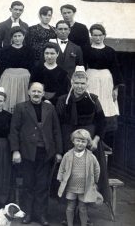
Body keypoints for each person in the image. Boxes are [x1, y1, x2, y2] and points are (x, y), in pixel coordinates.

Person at [55, 66, 111, 225]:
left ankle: (84, 215)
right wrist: (61, 146)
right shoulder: (62, 100)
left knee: (87, 177)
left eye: (82, 83)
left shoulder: (94, 99)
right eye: (77, 82)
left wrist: (95, 141)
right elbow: (57, 124)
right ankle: (69, 216)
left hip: (89, 143)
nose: (79, 86)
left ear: (87, 83)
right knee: (70, 177)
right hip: (68, 142)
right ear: (72, 82)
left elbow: (102, 122)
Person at [9, 82, 62, 226]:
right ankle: (28, 214)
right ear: (28, 92)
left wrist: (58, 151)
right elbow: (14, 130)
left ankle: (41, 215)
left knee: (43, 185)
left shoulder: (50, 108)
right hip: (27, 153)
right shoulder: (21, 108)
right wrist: (15, 150)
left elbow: (56, 130)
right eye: (34, 91)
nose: (36, 94)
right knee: (28, 184)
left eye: (39, 91)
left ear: (43, 93)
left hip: (46, 153)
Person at [57, 129, 101, 226]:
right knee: (70, 207)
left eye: (83, 141)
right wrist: (60, 179)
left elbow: (97, 169)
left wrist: (94, 182)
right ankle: (70, 224)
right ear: (73, 141)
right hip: (71, 187)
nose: (80, 144)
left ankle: (84, 224)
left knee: (83, 207)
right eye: (78, 141)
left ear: (87, 143)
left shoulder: (91, 156)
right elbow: (62, 168)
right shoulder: (67, 155)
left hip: (85, 187)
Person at [84, 24, 124, 120]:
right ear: (91, 36)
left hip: (106, 78)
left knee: (106, 101)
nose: (98, 38)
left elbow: (115, 69)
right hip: (91, 77)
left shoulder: (110, 51)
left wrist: (116, 89)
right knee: (92, 99)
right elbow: (81, 66)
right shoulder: (86, 50)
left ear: (104, 35)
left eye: (100, 35)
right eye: (95, 35)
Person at [0, 26, 34, 113]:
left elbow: (32, 67)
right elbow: (1, 67)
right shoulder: (5, 50)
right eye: (15, 36)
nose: (17, 38)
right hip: (8, 79)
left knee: (23, 101)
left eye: (19, 36)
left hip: (24, 80)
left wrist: (32, 81)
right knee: (8, 100)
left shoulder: (29, 50)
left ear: (23, 36)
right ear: (12, 38)